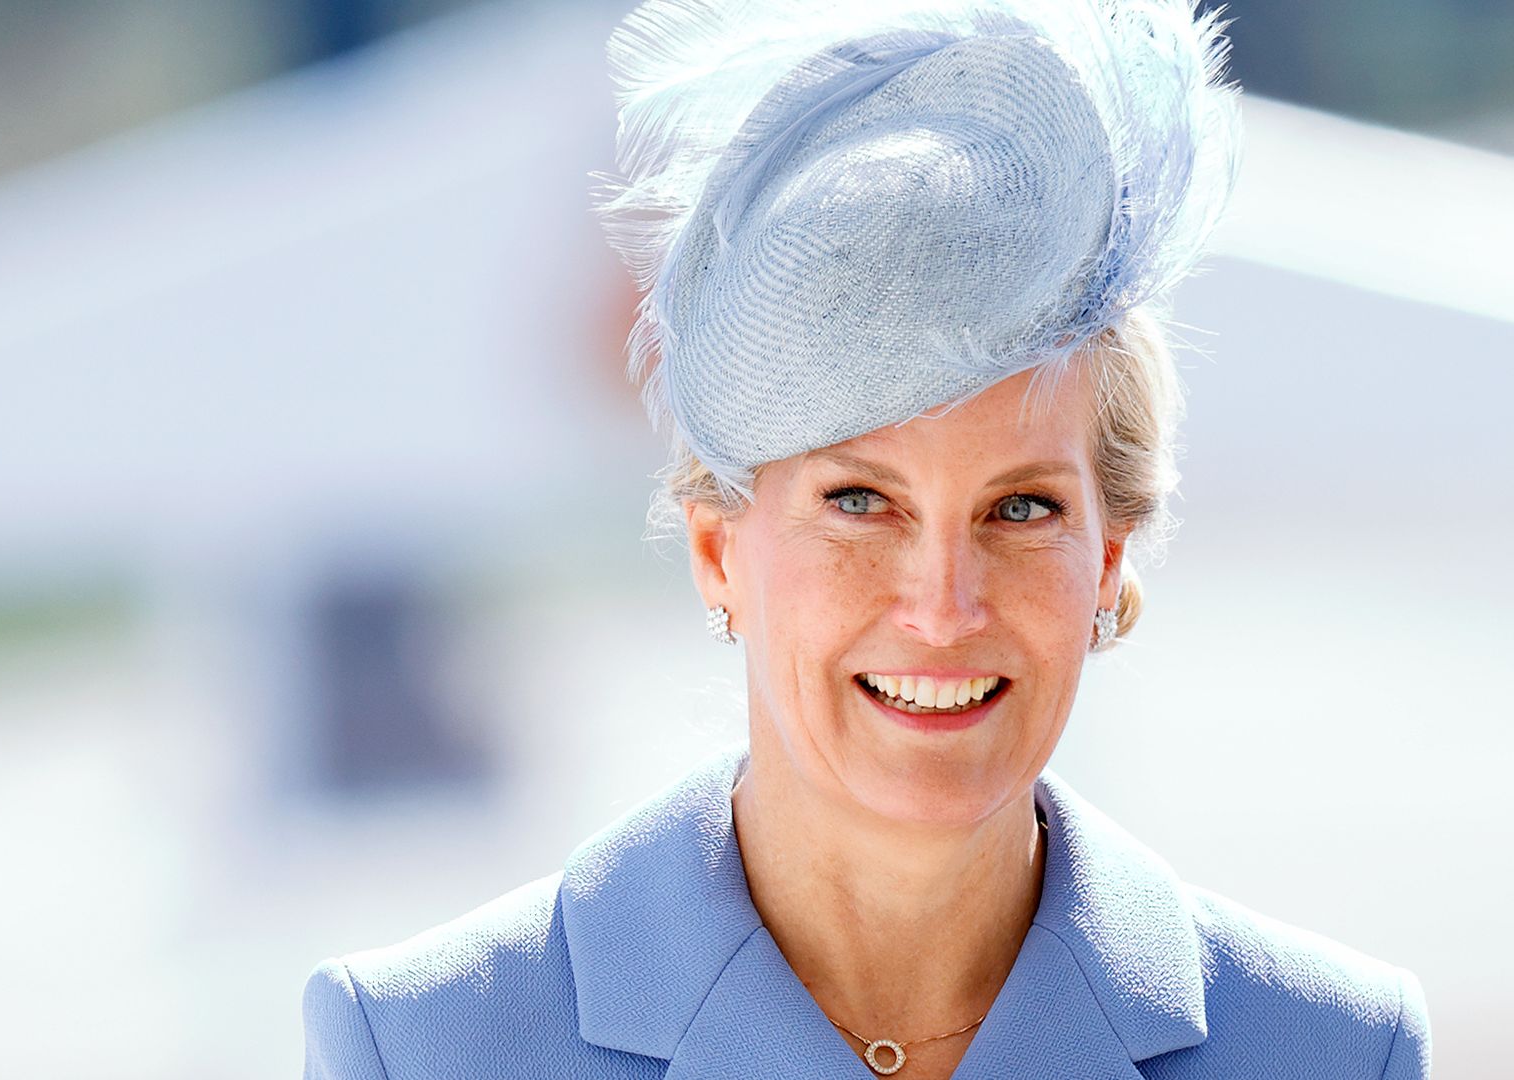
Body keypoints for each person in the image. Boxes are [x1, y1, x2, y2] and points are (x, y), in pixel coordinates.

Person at [301, 1, 1433, 1077]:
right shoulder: (426, 1046)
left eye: (1023, 508)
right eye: (859, 501)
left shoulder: (1330, 1049)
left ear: (1111, 561)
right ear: (717, 551)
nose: (943, 604)